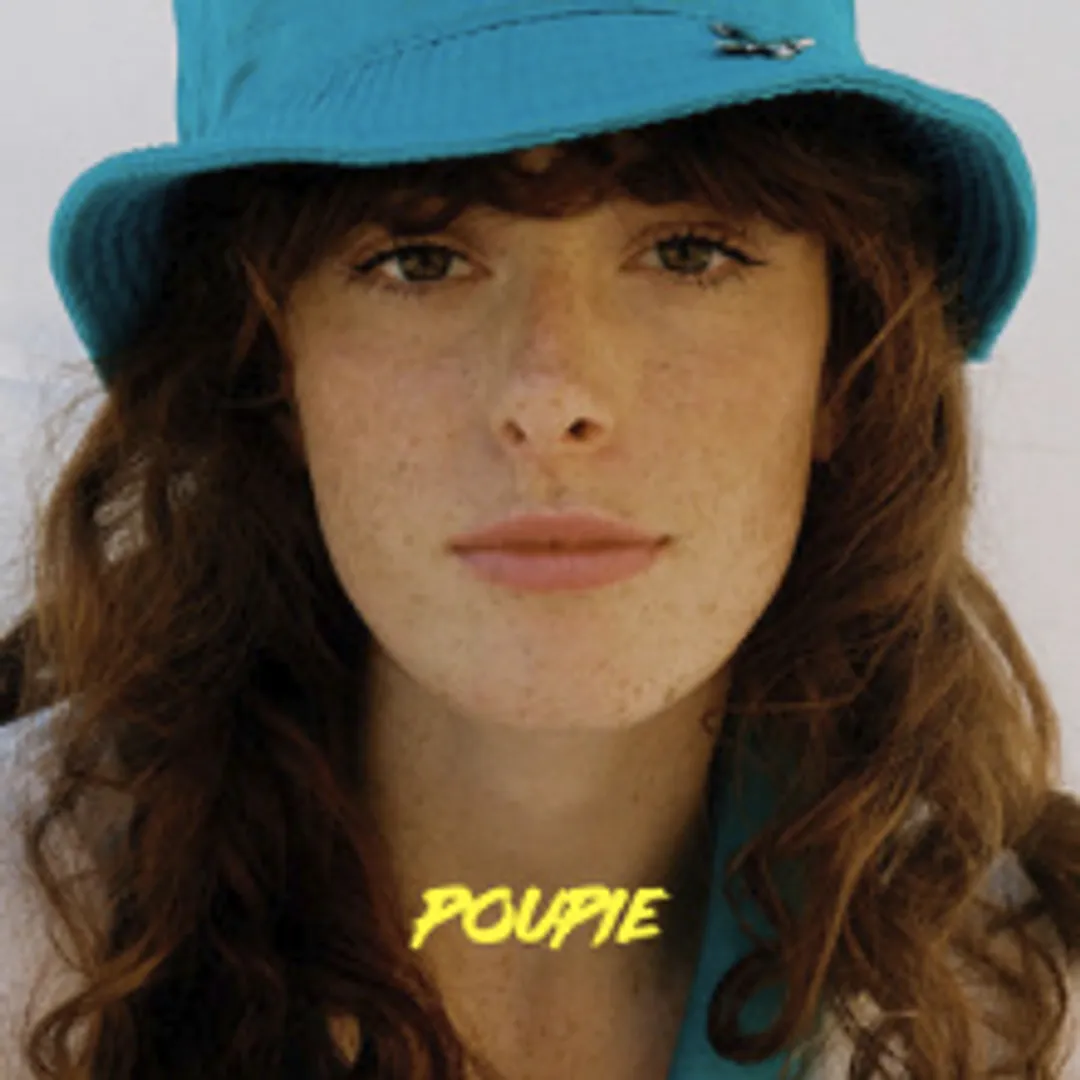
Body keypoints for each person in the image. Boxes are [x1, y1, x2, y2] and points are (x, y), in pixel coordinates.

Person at [1, 2, 1078, 1078]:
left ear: (845, 365)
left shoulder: (1040, 1001)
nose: (551, 395)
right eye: (418, 260)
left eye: (689, 251)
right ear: (266, 372)